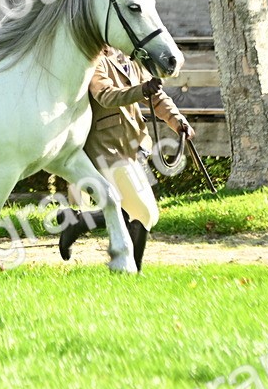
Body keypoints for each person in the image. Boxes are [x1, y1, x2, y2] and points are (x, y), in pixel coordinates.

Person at [56, 45, 194, 270]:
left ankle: (81, 225)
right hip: (105, 148)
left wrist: (178, 121)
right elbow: (105, 95)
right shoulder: (93, 60)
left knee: (143, 214)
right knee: (143, 212)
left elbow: (156, 96)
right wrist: (142, 91)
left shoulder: (132, 59)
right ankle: (127, 266)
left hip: (133, 145)